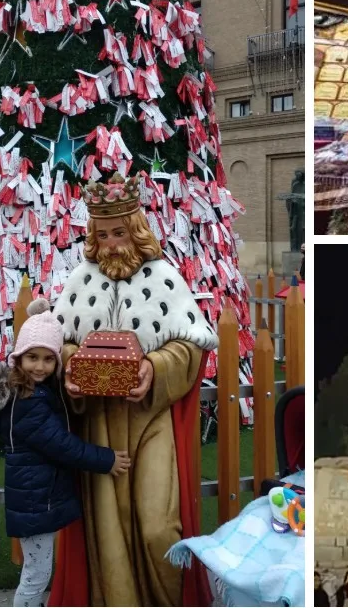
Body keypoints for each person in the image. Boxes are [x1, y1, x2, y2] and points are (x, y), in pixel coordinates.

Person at [51, 173, 220, 606]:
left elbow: (191, 344)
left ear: (136, 229)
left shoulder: (164, 277)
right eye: (102, 235)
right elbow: (60, 344)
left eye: (118, 233)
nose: (110, 244)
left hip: (150, 419)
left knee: (157, 527)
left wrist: (154, 368)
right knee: (107, 534)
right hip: (98, 427)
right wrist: (72, 369)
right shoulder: (80, 280)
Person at [0, 298, 126, 608]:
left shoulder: (32, 392)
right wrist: (106, 459)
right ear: (19, 358)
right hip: (34, 501)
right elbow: (61, 445)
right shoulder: (28, 402)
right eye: (32, 357)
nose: (40, 366)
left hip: (35, 495)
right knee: (36, 574)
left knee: (37, 569)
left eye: (48, 359)